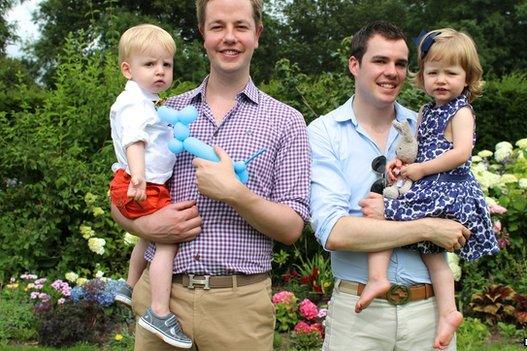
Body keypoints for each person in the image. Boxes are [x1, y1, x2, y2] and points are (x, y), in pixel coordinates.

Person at [111, 0, 310, 350]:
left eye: (241, 26)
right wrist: (145, 227)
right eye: (218, 26)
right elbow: (122, 194)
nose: (229, 37)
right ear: (203, 34)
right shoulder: (164, 111)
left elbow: (292, 228)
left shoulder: (286, 121)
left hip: (239, 308)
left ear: (257, 35)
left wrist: (236, 193)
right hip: (163, 300)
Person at [309, 21, 470, 351]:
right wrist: (427, 227)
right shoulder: (323, 133)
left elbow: (456, 204)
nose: (392, 72)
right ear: (355, 65)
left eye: (401, 63)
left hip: (430, 312)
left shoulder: (428, 125)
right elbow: (334, 232)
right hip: (358, 317)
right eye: (380, 61)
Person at [357, 28, 500, 350]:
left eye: (451, 73)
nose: (441, 80)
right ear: (421, 76)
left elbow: (461, 152)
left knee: (383, 213)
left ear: (468, 77)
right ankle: (448, 311)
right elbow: (415, 148)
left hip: (450, 188)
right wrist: (399, 162)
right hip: (428, 184)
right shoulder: (425, 111)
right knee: (433, 256)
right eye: (432, 72)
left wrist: (420, 170)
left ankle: (378, 277)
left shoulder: (461, 111)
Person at [108, 24, 192, 348]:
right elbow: (134, 139)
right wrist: (139, 176)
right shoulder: (134, 104)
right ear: (127, 69)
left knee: (146, 237)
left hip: (144, 182)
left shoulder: (149, 100)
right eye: (150, 64)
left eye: (166, 65)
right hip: (141, 182)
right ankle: (158, 311)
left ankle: (129, 287)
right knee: (166, 242)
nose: (160, 71)